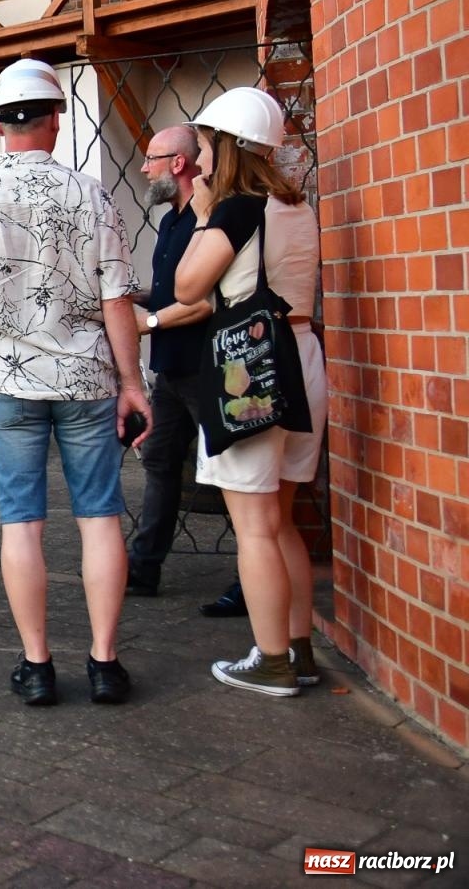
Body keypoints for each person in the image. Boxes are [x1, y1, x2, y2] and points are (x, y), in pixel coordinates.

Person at [0, 58, 150, 707]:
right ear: (56, 118)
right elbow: (117, 299)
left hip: (7, 382)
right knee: (100, 518)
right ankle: (105, 664)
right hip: (87, 378)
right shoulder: (91, 195)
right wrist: (133, 383)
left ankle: (37, 666)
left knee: (21, 525)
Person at [174, 86, 327, 697]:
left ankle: (271, 660)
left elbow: (188, 286)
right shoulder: (296, 205)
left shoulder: (237, 210)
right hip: (302, 357)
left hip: (251, 365)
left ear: (224, 146)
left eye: (205, 146)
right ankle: (297, 646)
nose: (199, 159)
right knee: (282, 520)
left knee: (256, 524)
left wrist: (206, 211)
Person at [126, 127, 214, 596]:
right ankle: (143, 567)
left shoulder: (207, 219)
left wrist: (145, 324)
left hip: (205, 367)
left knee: (231, 469)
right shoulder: (169, 222)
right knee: (158, 459)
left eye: (151, 159)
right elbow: (170, 294)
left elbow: (205, 302)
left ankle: (252, 577)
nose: (144, 168)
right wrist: (129, 299)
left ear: (178, 164)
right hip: (171, 371)